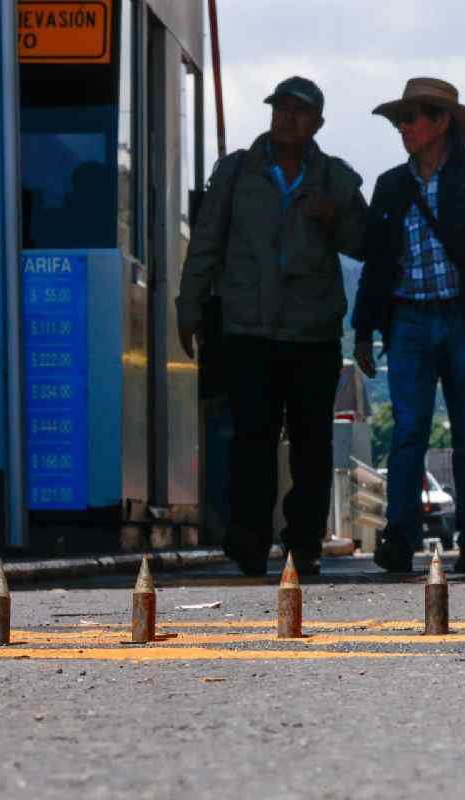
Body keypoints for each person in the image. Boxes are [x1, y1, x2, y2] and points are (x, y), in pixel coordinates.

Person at [177, 76, 369, 576]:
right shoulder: (238, 172)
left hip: (314, 335)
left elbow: (370, 244)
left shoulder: (336, 180)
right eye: (280, 108)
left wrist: (334, 220)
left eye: (298, 111)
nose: (286, 117)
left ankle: (303, 545)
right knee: (252, 442)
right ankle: (249, 543)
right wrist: (189, 305)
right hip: (248, 331)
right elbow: (206, 243)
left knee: (312, 446)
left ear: (317, 124)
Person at [352, 77, 465, 574]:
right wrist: (364, 328)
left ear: (442, 123)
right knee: (409, 433)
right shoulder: (391, 184)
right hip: (408, 321)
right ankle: (399, 539)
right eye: (400, 120)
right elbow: (376, 262)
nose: (403, 128)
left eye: (412, 118)